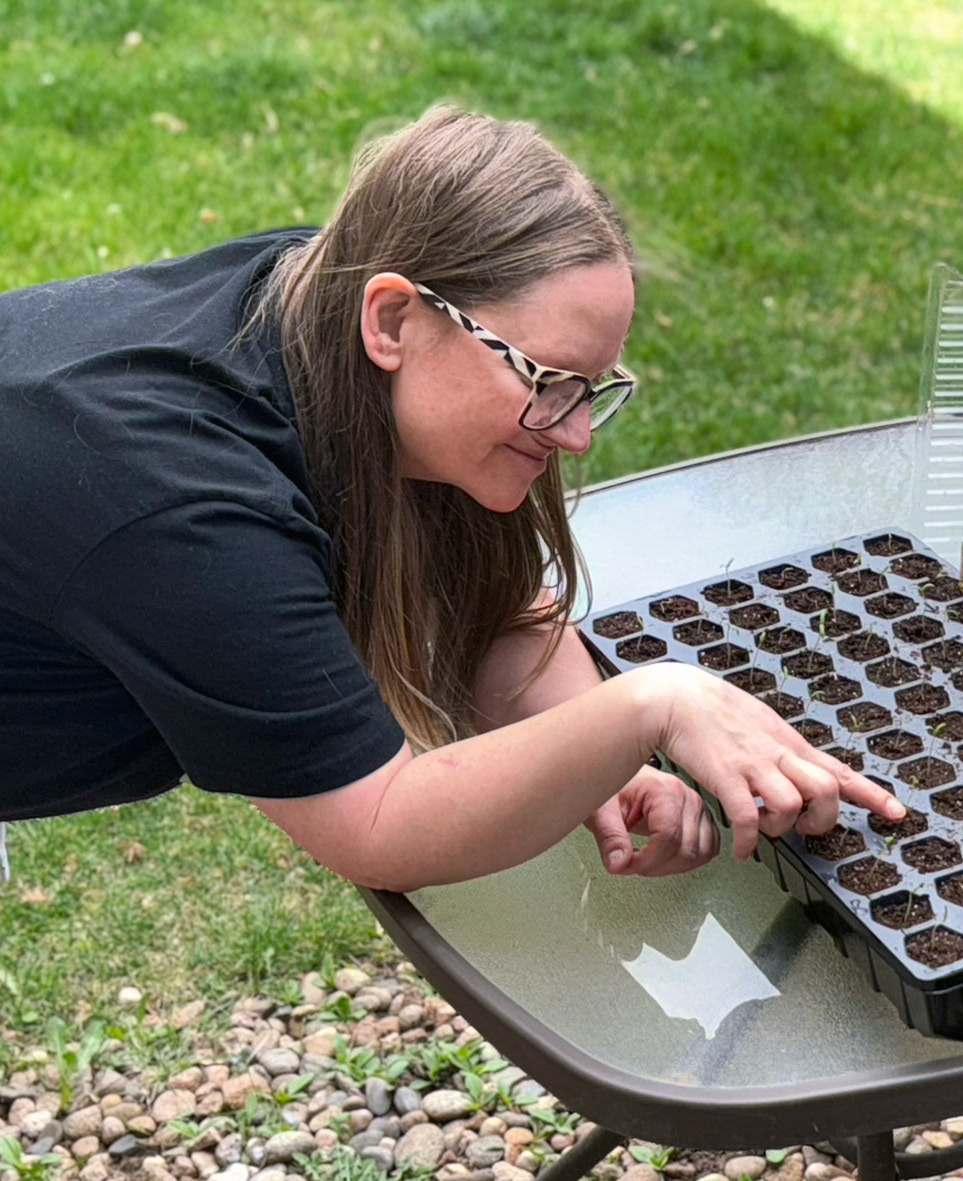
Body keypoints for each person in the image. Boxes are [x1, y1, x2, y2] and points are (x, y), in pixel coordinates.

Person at [0, 105, 904, 891]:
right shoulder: (188, 513)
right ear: (393, 319)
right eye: (548, 381)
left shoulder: (327, 315)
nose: (576, 434)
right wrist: (647, 708)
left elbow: (492, 605)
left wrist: (589, 756)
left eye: (594, 388)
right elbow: (381, 825)